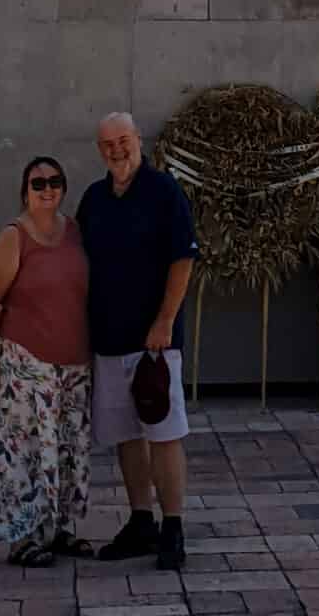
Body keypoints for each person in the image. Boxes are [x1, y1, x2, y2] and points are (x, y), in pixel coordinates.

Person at [75, 110, 199, 571]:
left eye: (123, 140)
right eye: (108, 143)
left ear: (137, 140)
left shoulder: (164, 192)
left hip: (154, 343)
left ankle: (173, 526)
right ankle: (141, 521)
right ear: (100, 149)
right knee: (127, 437)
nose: (117, 150)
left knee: (164, 434)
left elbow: (183, 260)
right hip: (109, 340)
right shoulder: (94, 199)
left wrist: (165, 321)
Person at [0, 156, 93, 567]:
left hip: (74, 364)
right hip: (27, 362)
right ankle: (21, 537)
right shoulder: (14, 236)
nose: (47, 188)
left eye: (54, 181)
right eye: (37, 182)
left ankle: (58, 529)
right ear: (25, 190)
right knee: (24, 451)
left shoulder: (76, 232)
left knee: (66, 448)